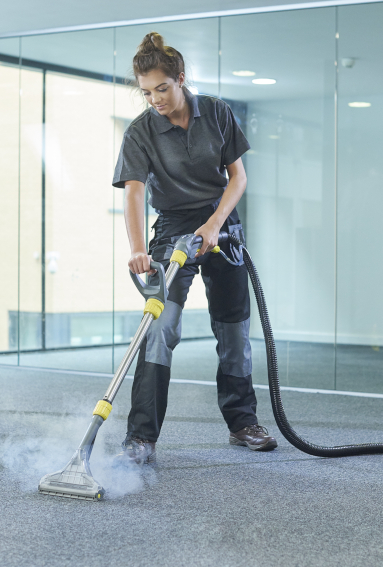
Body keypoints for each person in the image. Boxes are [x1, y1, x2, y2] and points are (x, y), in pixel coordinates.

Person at [112, 32, 277, 464]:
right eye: (146, 92)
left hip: (220, 223)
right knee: (160, 327)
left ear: (181, 79)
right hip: (172, 229)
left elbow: (237, 178)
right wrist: (136, 249)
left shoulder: (217, 113)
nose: (155, 100)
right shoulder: (141, 131)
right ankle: (141, 436)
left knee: (234, 329)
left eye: (162, 89)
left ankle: (243, 423)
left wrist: (214, 224)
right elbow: (132, 193)